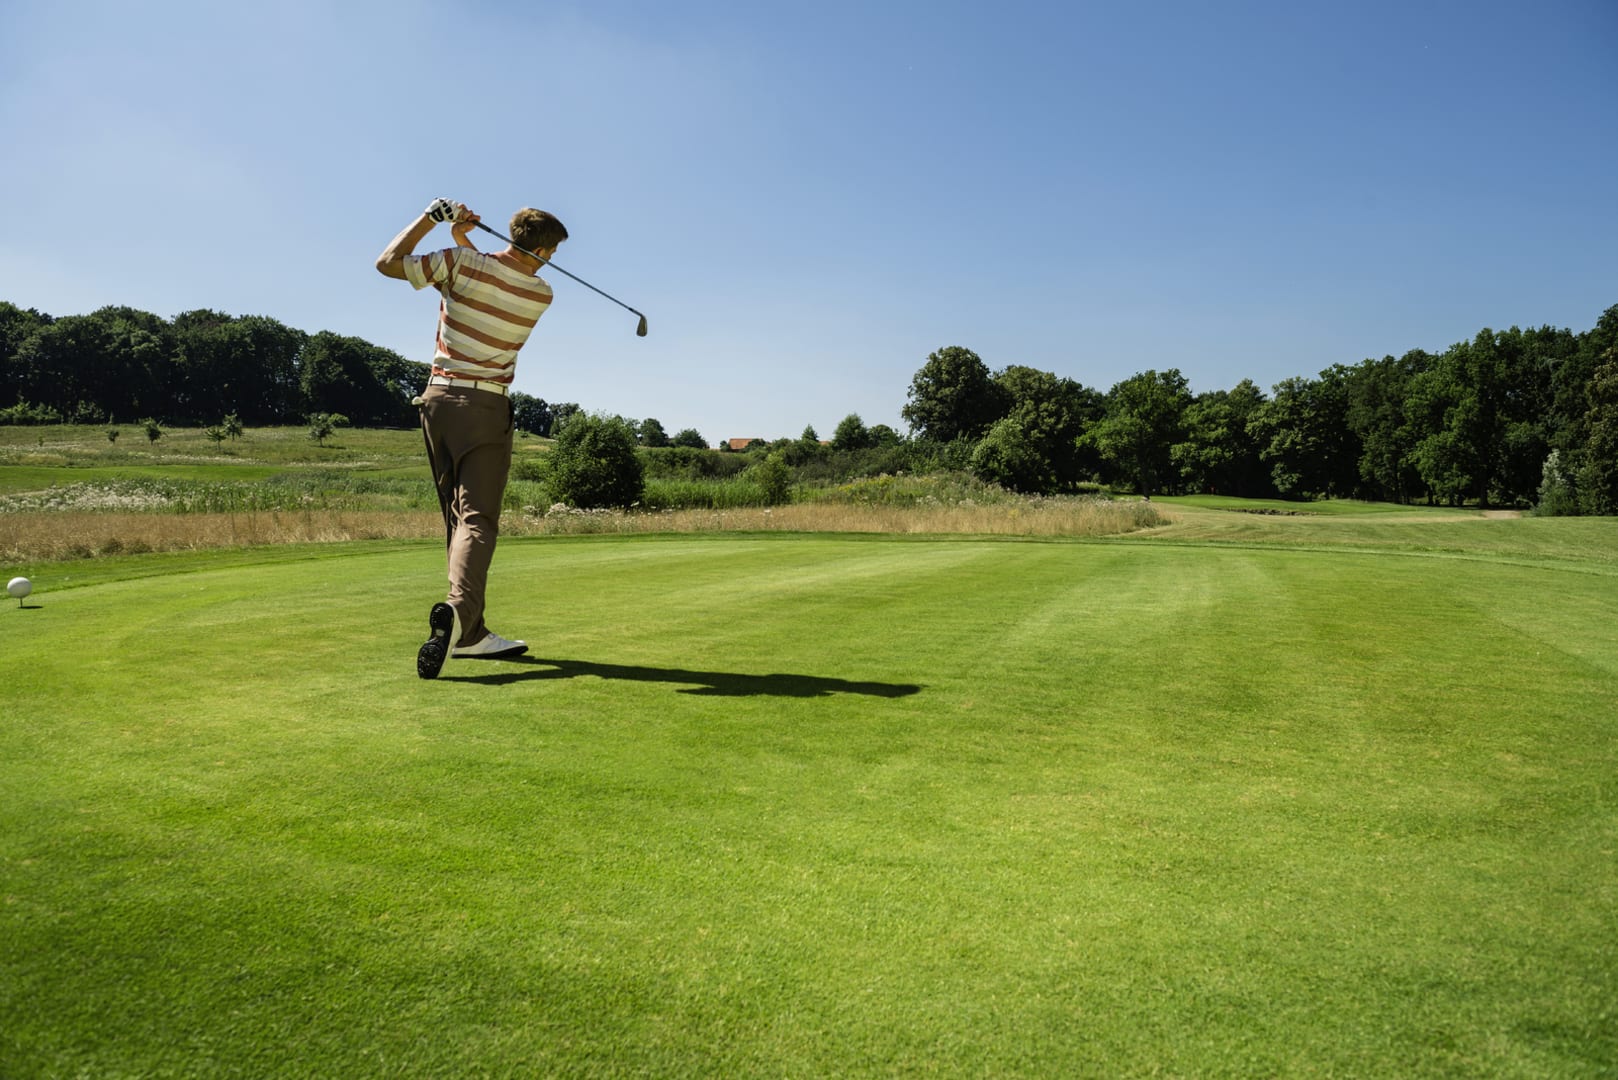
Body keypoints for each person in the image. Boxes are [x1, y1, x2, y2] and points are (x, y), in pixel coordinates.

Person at [375, 197, 569, 679]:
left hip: (437, 401)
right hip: (485, 406)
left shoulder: (460, 263)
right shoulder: (541, 293)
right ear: (544, 251)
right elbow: (501, 275)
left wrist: (437, 220)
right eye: (553, 252)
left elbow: (388, 263)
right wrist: (463, 239)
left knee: (457, 520)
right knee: (478, 519)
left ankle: (472, 634)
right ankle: (460, 614)